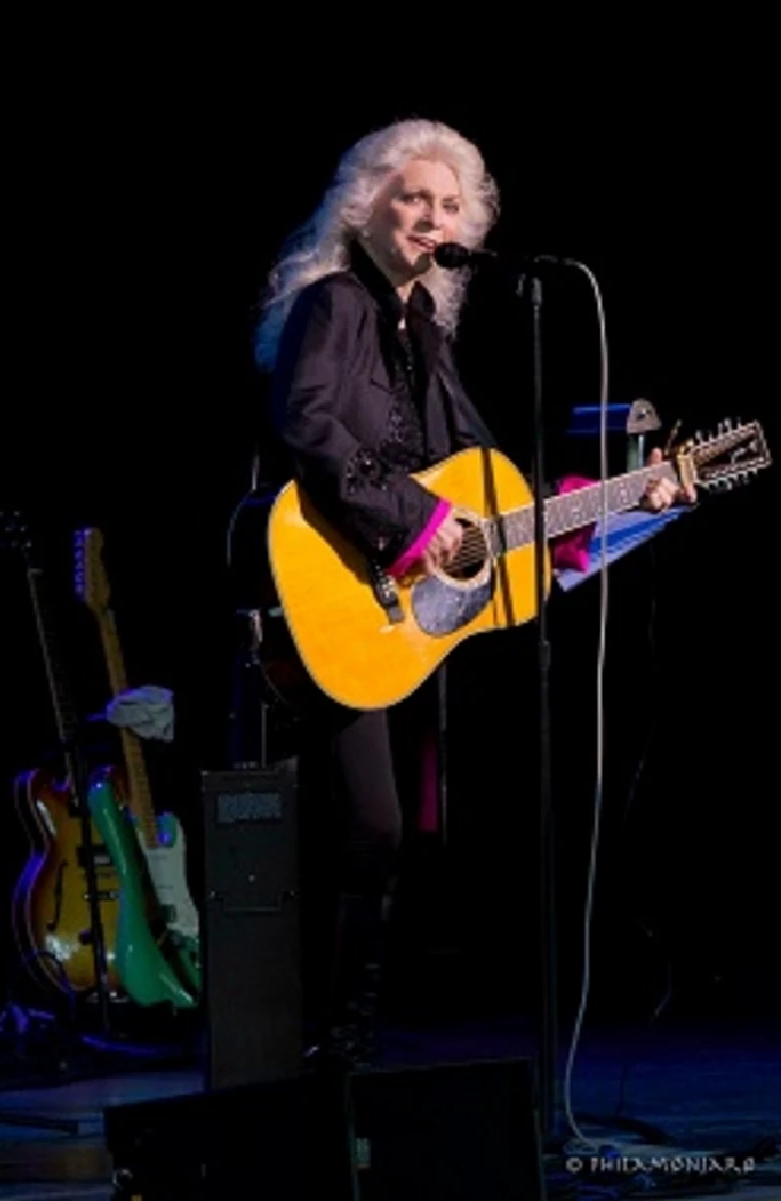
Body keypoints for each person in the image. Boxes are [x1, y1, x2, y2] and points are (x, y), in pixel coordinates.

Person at [252, 117, 693, 1072]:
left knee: (409, 831)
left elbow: (494, 502)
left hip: (409, 610)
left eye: (451, 204)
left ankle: (355, 1044)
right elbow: (313, 431)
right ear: (364, 204)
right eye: (412, 196)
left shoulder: (425, 330)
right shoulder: (335, 303)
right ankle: (327, 1046)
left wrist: (621, 497)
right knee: (364, 824)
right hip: (339, 580)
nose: (430, 216)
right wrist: (416, 524)